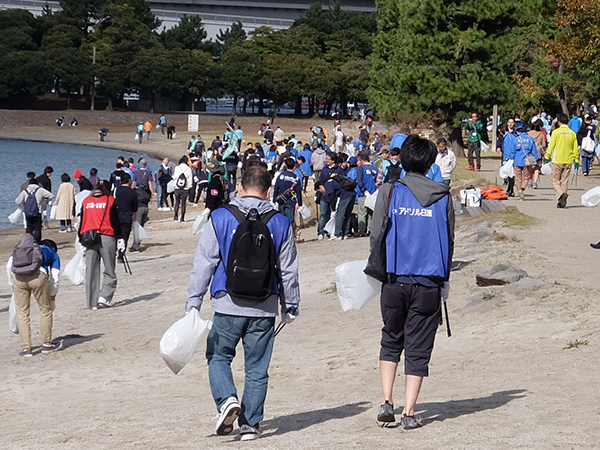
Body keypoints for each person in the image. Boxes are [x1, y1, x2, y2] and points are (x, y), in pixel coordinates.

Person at [185, 165, 300, 441]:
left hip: (227, 302)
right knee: (257, 368)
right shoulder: (280, 222)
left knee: (218, 355)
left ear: (239, 187)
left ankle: (226, 400)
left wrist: (193, 301)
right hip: (264, 305)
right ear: (268, 191)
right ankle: (250, 424)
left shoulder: (221, 216)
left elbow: (204, 263)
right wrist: (290, 304)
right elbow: (288, 269)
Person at [369, 134, 454, 430]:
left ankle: (386, 401)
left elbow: (376, 233)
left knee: (391, 339)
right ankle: (409, 412)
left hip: (394, 279)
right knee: (418, 347)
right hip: (429, 281)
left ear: (402, 159)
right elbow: (450, 239)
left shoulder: (389, 191)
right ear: (431, 163)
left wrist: (375, 267)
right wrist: (445, 278)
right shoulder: (443, 196)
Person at [10, 238, 62, 357]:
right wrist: (52, 297)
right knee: (45, 310)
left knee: (22, 312)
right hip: (38, 276)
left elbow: (9, 264)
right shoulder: (52, 252)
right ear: (54, 247)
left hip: (19, 277)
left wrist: (11, 284)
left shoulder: (23, 250)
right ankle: (46, 344)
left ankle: (26, 348)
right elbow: (55, 277)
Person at [79, 180, 123, 309]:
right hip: (106, 236)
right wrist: (121, 238)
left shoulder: (86, 201)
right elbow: (115, 221)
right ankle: (104, 296)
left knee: (91, 270)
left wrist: (81, 239)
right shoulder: (110, 200)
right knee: (109, 269)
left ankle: (91, 302)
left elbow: (82, 221)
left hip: (88, 237)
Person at [545, 113, 579, 208]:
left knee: (555, 179)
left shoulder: (556, 132)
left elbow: (551, 145)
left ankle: (561, 194)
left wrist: (547, 156)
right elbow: (575, 148)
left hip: (557, 159)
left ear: (559, 122)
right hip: (569, 160)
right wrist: (576, 159)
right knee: (564, 180)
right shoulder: (572, 133)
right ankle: (561, 201)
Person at [505, 123, 538, 201]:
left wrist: (510, 159)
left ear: (518, 131)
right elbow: (534, 151)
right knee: (526, 177)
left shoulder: (516, 140)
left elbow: (512, 151)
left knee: (518, 178)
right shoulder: (530, 139)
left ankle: (519, 191)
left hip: (517, 161)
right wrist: (535, 160)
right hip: (527, 161)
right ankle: (523, 189)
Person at [316, 152, 345, 239]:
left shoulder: (339, 170)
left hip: (335, 196)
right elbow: (320, 181)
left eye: (328, 159)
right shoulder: (324, 169)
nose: (326, 161)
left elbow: (343, 182)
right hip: (324, 196)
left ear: (333, 160)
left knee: (333, 215)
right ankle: (321, 232)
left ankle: (331, 231)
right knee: (323, 214)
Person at [15, 178, 53, 242]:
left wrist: (23, 207)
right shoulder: (40, 190)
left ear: (29, 184)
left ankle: (27, 242)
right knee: (37, 229)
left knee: (29, 228)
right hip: (38, 212)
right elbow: (51, 196)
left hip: (28, 212)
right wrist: (45, 201)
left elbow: (17, 201)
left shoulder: (25, 191)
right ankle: (37, 242)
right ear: (37, 183)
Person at [273, 158, 302, 230]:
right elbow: (298, 192)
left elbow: (276, 188)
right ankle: (289, 236)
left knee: (281, 220)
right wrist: (299, 203)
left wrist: (274, 199)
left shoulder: (280, 176)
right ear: (294, 166)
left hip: (281, 200)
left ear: (285, 166)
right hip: (290, 201)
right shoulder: (296, 178)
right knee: (290, 221)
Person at [115, 173, 138, 263]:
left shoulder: (117, 190)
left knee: (116, 236)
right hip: (127, 217)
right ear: (129, 181)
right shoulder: (132, 192)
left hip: (117, 216)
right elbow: (135, 207)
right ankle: (120, 255)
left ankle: (113, 252)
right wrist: (134, 217)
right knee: (124, 237)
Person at [355, 154, 377, 236]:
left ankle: (362, 230)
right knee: (371, 213)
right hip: (373, 193)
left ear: (361, 160)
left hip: (363, 193)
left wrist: (364, 190)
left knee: (362, 213)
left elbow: (359, 181)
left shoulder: (361, 169)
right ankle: (371, 230)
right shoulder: (375, 168)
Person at [172, 155, 193, 222]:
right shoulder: (188, 169)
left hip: (177, 187)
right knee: (183, 203)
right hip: (185, 188)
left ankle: (175, 216)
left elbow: (174, 177)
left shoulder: (177, 168)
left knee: (177, 202)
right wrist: (189, 186)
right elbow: (190, 179)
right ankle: (182, 217)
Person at [528, 120, 547, 189]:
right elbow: (544, 145)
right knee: (536, 169)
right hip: (538, 154)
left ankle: (529, 183)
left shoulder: (528, 133)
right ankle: (535, 183)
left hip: (529, 154)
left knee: (529, 169)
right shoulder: (540, 134)